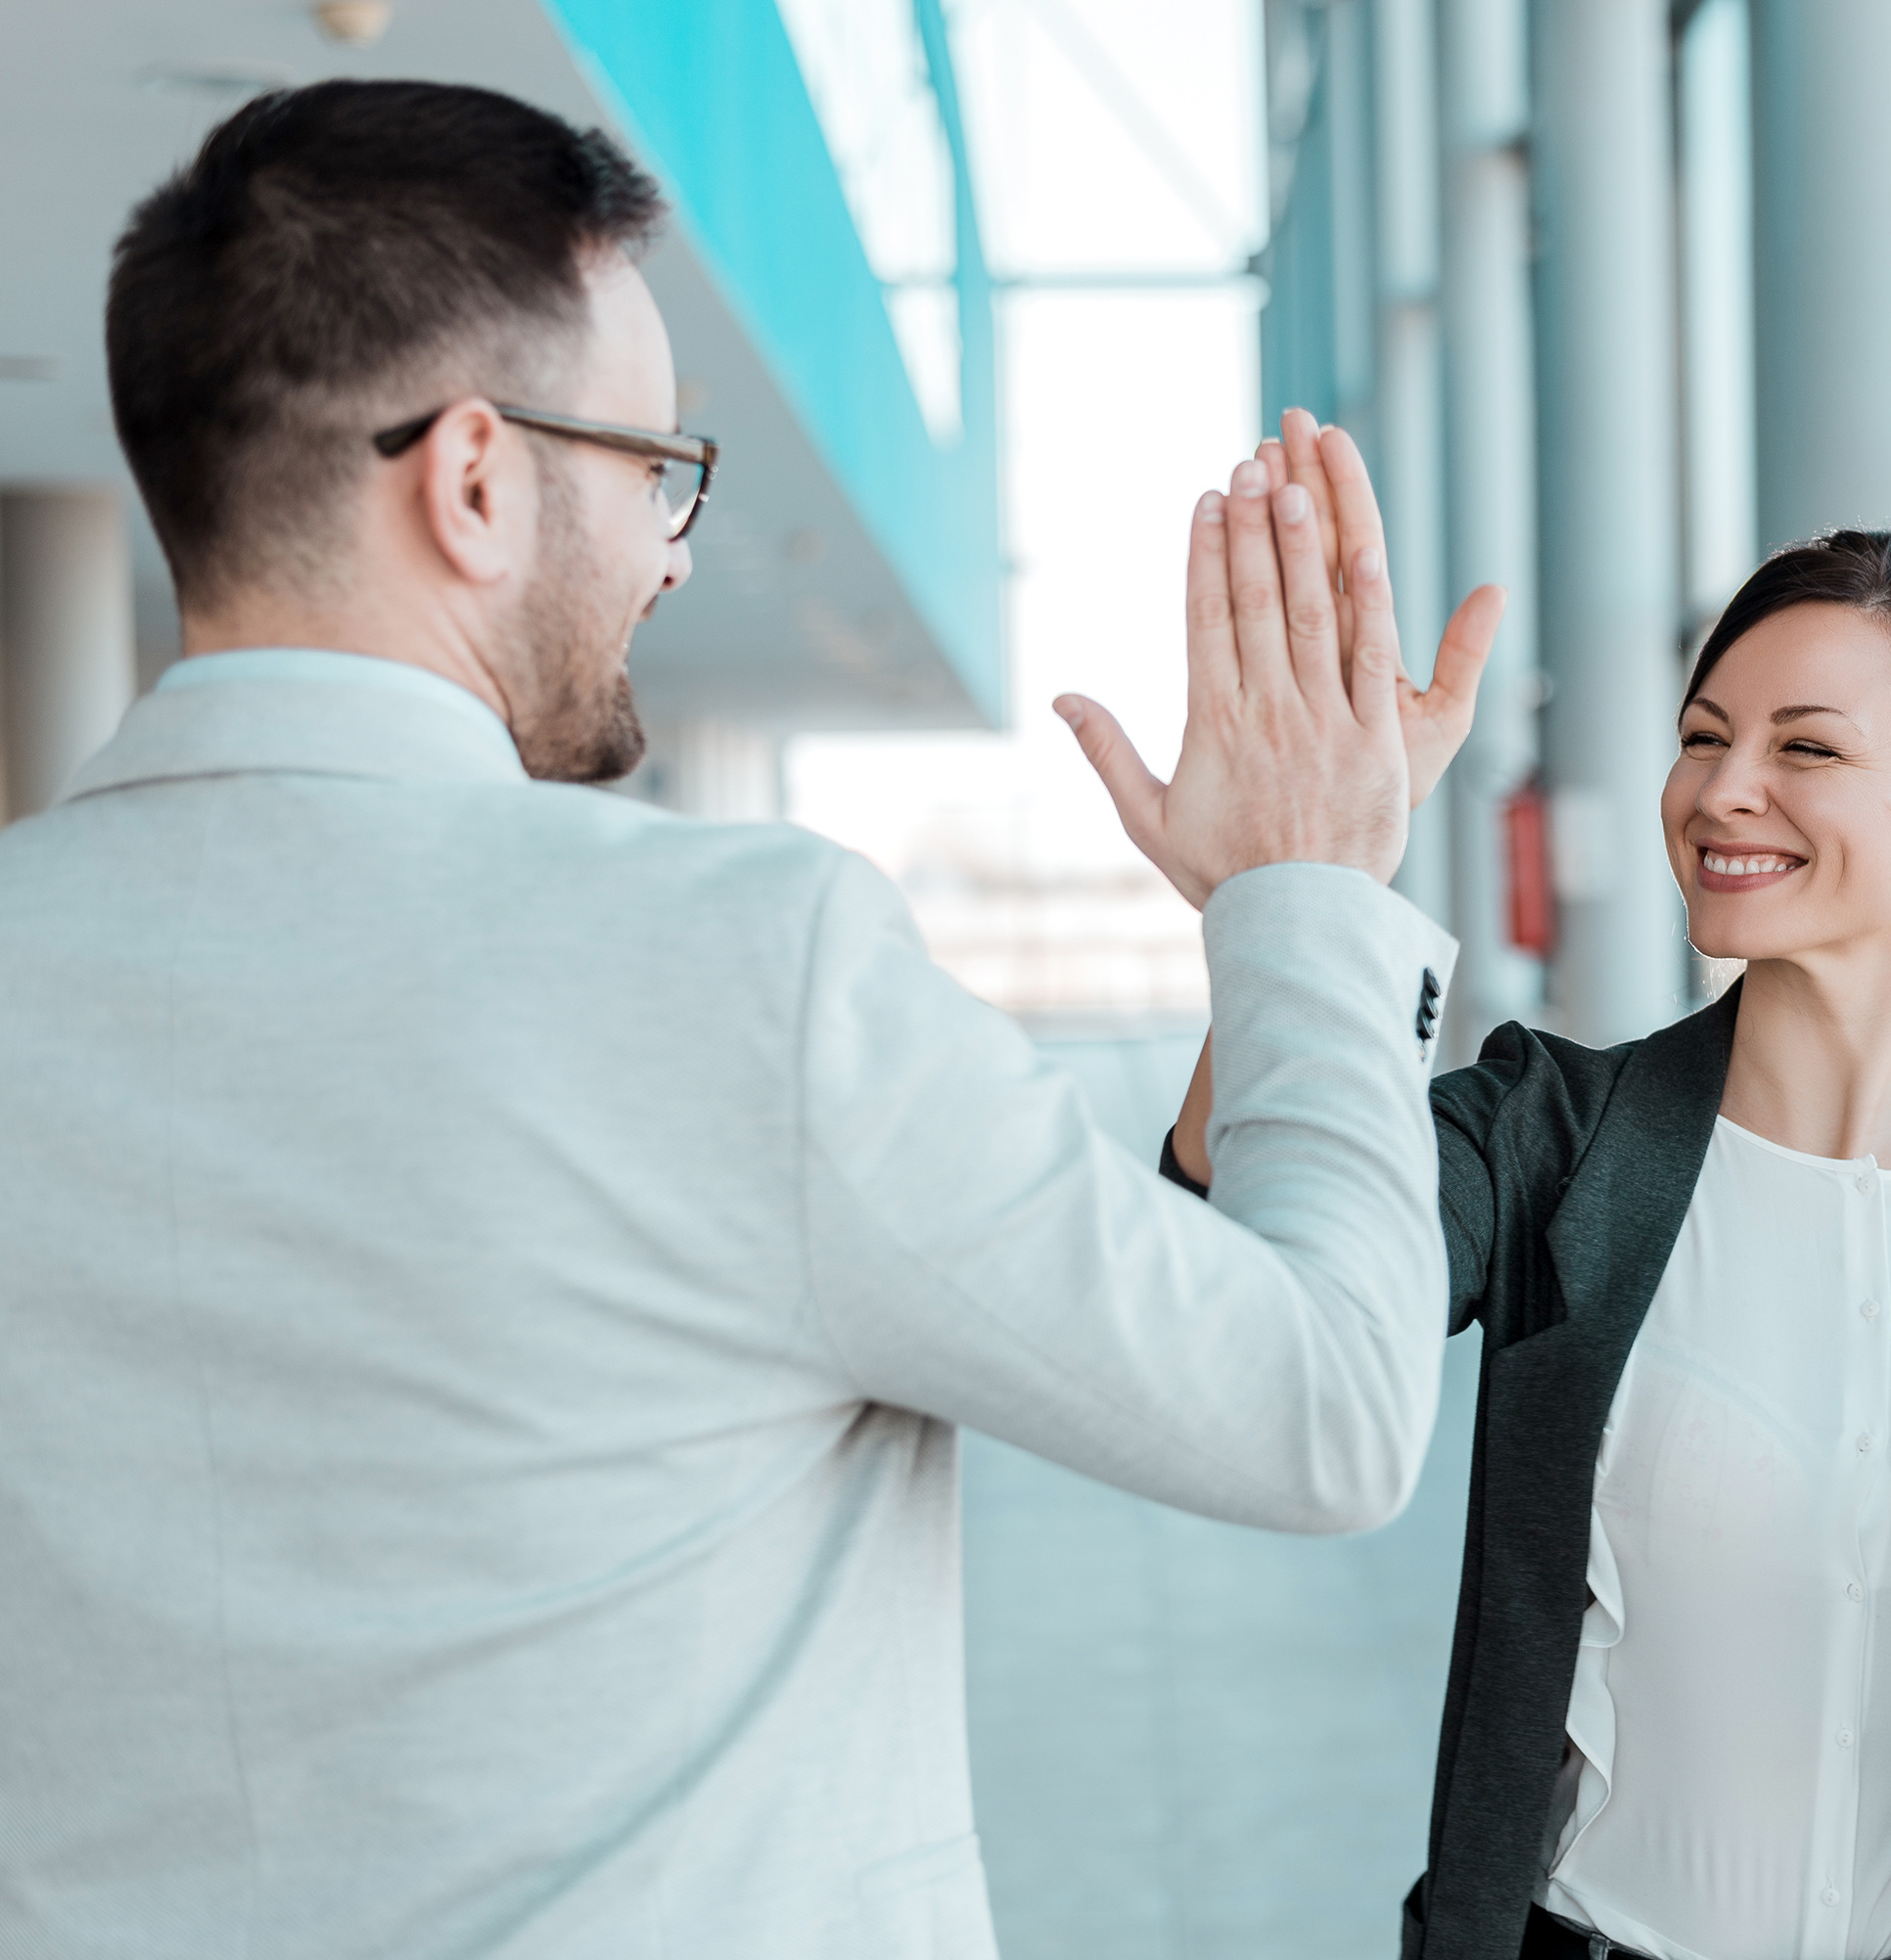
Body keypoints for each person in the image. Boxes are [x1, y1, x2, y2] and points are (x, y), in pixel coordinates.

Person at [0, 81, 1492, 1959]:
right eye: (652, 468)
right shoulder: (736, 966)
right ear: (472, 479)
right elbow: (1324, 1414)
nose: (677, 550)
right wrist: (1311, 894)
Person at [1139, 461, 1891, 1959]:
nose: (1721, 790)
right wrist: (1286, 898)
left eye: (1804, 746)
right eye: (1704, 736)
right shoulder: (1547, 1133)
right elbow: (1234, 1299)